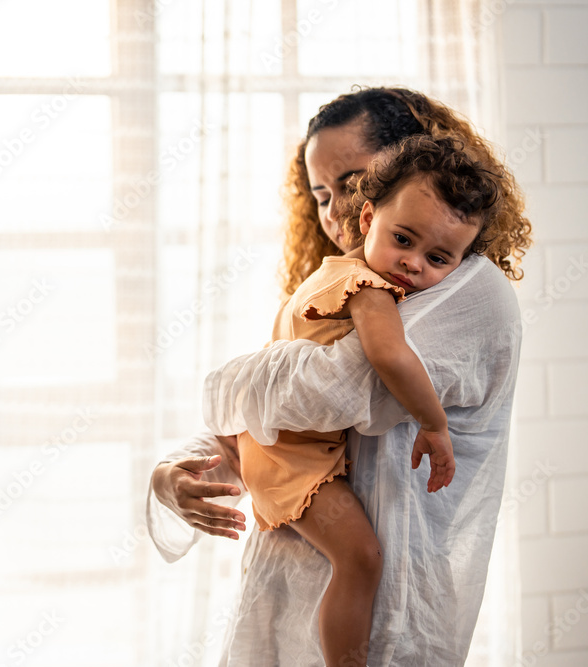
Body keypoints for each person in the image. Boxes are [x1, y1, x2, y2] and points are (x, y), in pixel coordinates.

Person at [147, 87, 532, 665]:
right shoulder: (353, 280)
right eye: (320, 194)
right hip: (282, 598)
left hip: (385, 626)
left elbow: (328, 393)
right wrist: (174, 471)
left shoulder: (465, 290)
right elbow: (272, 425)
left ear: (410, 162)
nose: (332, 213)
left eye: (350, 183)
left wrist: (226, 383)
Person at [231, 134, 503, 667]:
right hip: (290, 455)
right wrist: (433, 424)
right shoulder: (367, 287)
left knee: (356, 559)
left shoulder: (328, 276)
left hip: (277, 445)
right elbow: (391, 358)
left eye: (439, 257)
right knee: (362, 558)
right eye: (402, 239)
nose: (413, 265)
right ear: (367, 220)